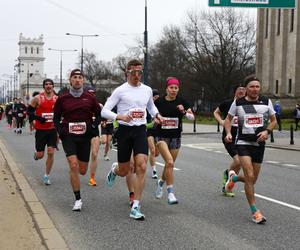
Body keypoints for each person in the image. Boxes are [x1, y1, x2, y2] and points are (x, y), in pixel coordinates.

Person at [101, 59, 162, 220]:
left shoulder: (147, 90)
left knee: (141, 166)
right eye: (133, 72)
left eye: (140, 72)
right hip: (124, 131)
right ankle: (114, 170)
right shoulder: (120, 90)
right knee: (124, 170)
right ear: (127, 73)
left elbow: (150, 107)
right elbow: (104, 111)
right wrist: (119, 116)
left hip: (141, 130)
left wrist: (156, 114)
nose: (137, 75)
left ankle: (136, 205)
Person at [224, 75, 276, 224]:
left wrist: (267, 132)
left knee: (252, 180)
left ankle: (233, 178)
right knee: (249, 174)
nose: (255, 89)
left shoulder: (266, 101)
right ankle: (255, 211)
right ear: (246, 88)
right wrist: (228, 133)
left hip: (259, 144)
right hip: (243, 143)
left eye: (257, 86)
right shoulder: (238, 102)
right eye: (252, 86)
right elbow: (228, 119)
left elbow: (274, 121)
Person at [53, 69, 101, 211]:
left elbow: (99, 115)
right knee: (73, 165)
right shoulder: (63, 98)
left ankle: (75, 173)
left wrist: (93, 126)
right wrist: (61, 131)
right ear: (70, 80)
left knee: (83, 170)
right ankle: (78, 199)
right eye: (75, 77)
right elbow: (56, 117)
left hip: (85, 137)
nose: (77, 80)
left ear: (83, 80)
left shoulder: (90, 98)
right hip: (69, 136)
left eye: (80, 77)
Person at [155, 77, 194, 205]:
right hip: (161, 137)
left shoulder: (182, 101)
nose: (173, 90)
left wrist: (183, 112)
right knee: (170, 162)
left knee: (169, 165)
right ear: (166, 88)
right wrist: (155, 120)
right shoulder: (159, 102)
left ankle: (161, 182)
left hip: (176, 137)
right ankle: (170, 193)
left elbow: (191, 117)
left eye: (176, 88)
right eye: (171, 87)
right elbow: (151, 115)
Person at [213, 85, 246, 197]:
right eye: (239, 90)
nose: (241, 92)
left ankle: (229, 183)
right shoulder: (227, 103)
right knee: (238, 161)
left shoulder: (247, 104)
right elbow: (216, 112)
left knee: (240, 163)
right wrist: (222, 121)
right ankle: (227, 178)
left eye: (243, 90)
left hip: (243, 138)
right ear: (235, 92)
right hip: (229, 137)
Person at [27, 79, 58, 185]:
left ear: (53, 86)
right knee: (40, 155)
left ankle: (46, 175)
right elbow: (29, 112)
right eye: (46, 84)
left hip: (52, 130)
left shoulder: (57, 99)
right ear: (44, 86)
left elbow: (61, 113)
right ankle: (36, 155)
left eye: (50, 84)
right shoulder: (37, 98)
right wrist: (38, 118)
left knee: (50, 152)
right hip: (41, 130)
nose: (48, 86)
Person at [85, 86, 102, 187]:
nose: (92, 95)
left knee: (94, 154)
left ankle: (92, 178)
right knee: (81, 154)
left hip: (94, 130)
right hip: (82, 131)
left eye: (93, 93)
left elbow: (100, 116)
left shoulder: (98, 105)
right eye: (90, 93)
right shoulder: (81, 104)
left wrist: (95, 124)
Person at [146, 88, 160, 179]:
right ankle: (154, 171)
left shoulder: (159, 106)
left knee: (156, 153)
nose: (156, 99)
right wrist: (152, 123)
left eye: (157, 97)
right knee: (152, 150)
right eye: (154, 97)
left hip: (158, 131)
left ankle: (147, 159)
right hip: (149, 131)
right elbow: (143, 124)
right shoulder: (145, 107)